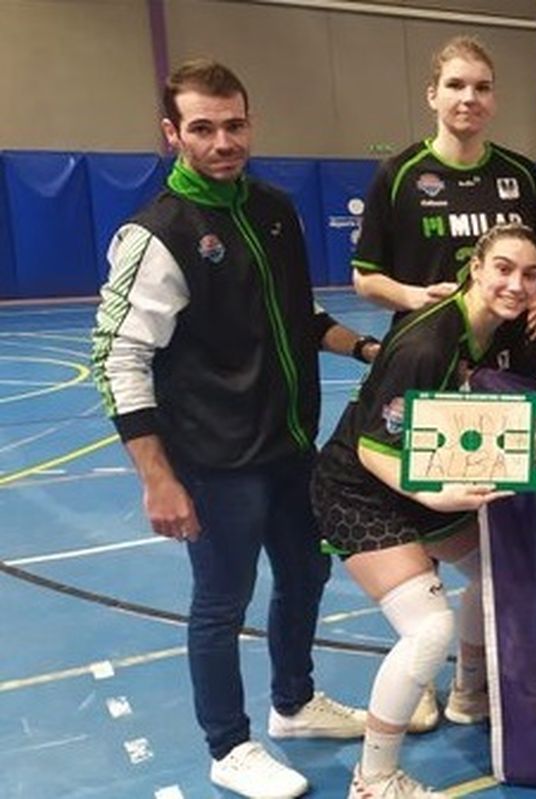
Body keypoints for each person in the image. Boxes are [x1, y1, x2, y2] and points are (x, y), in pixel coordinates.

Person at [89, 59, 367, 799]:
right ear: (172, 132)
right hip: (214, 462)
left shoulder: (275, 209)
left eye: (234, 124)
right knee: (221, 601)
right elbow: (120, 356)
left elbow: (299, 319)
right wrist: (158, 476)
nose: (222, 142)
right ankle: (228, 744)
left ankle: (295, 703)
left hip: (288, 448)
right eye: (203, 128)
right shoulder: (156, 235)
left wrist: (371, 348)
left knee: (307, 573)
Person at [311, 223, 536, 798]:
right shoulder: (426, 344)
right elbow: (371, 446)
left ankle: (469, 692)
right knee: (427, 629)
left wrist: (533, 440)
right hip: (359, 488)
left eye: (530, 274)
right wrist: (434, 495)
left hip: (417, 477)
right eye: (504, 269)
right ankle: (374, 780)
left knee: (502, 570)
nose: (516, 284)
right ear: (476, 268)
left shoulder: (499, 332)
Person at [350, 35, 536, 384]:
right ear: (432, 95)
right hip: (428, 351)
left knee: (529, 439)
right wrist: (413, 297)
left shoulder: (520, 173)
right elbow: (365, 279)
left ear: (493, 100)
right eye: (455, 85)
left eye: (482, 88)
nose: (470, 98)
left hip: (515, 356)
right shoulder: (398, 174)